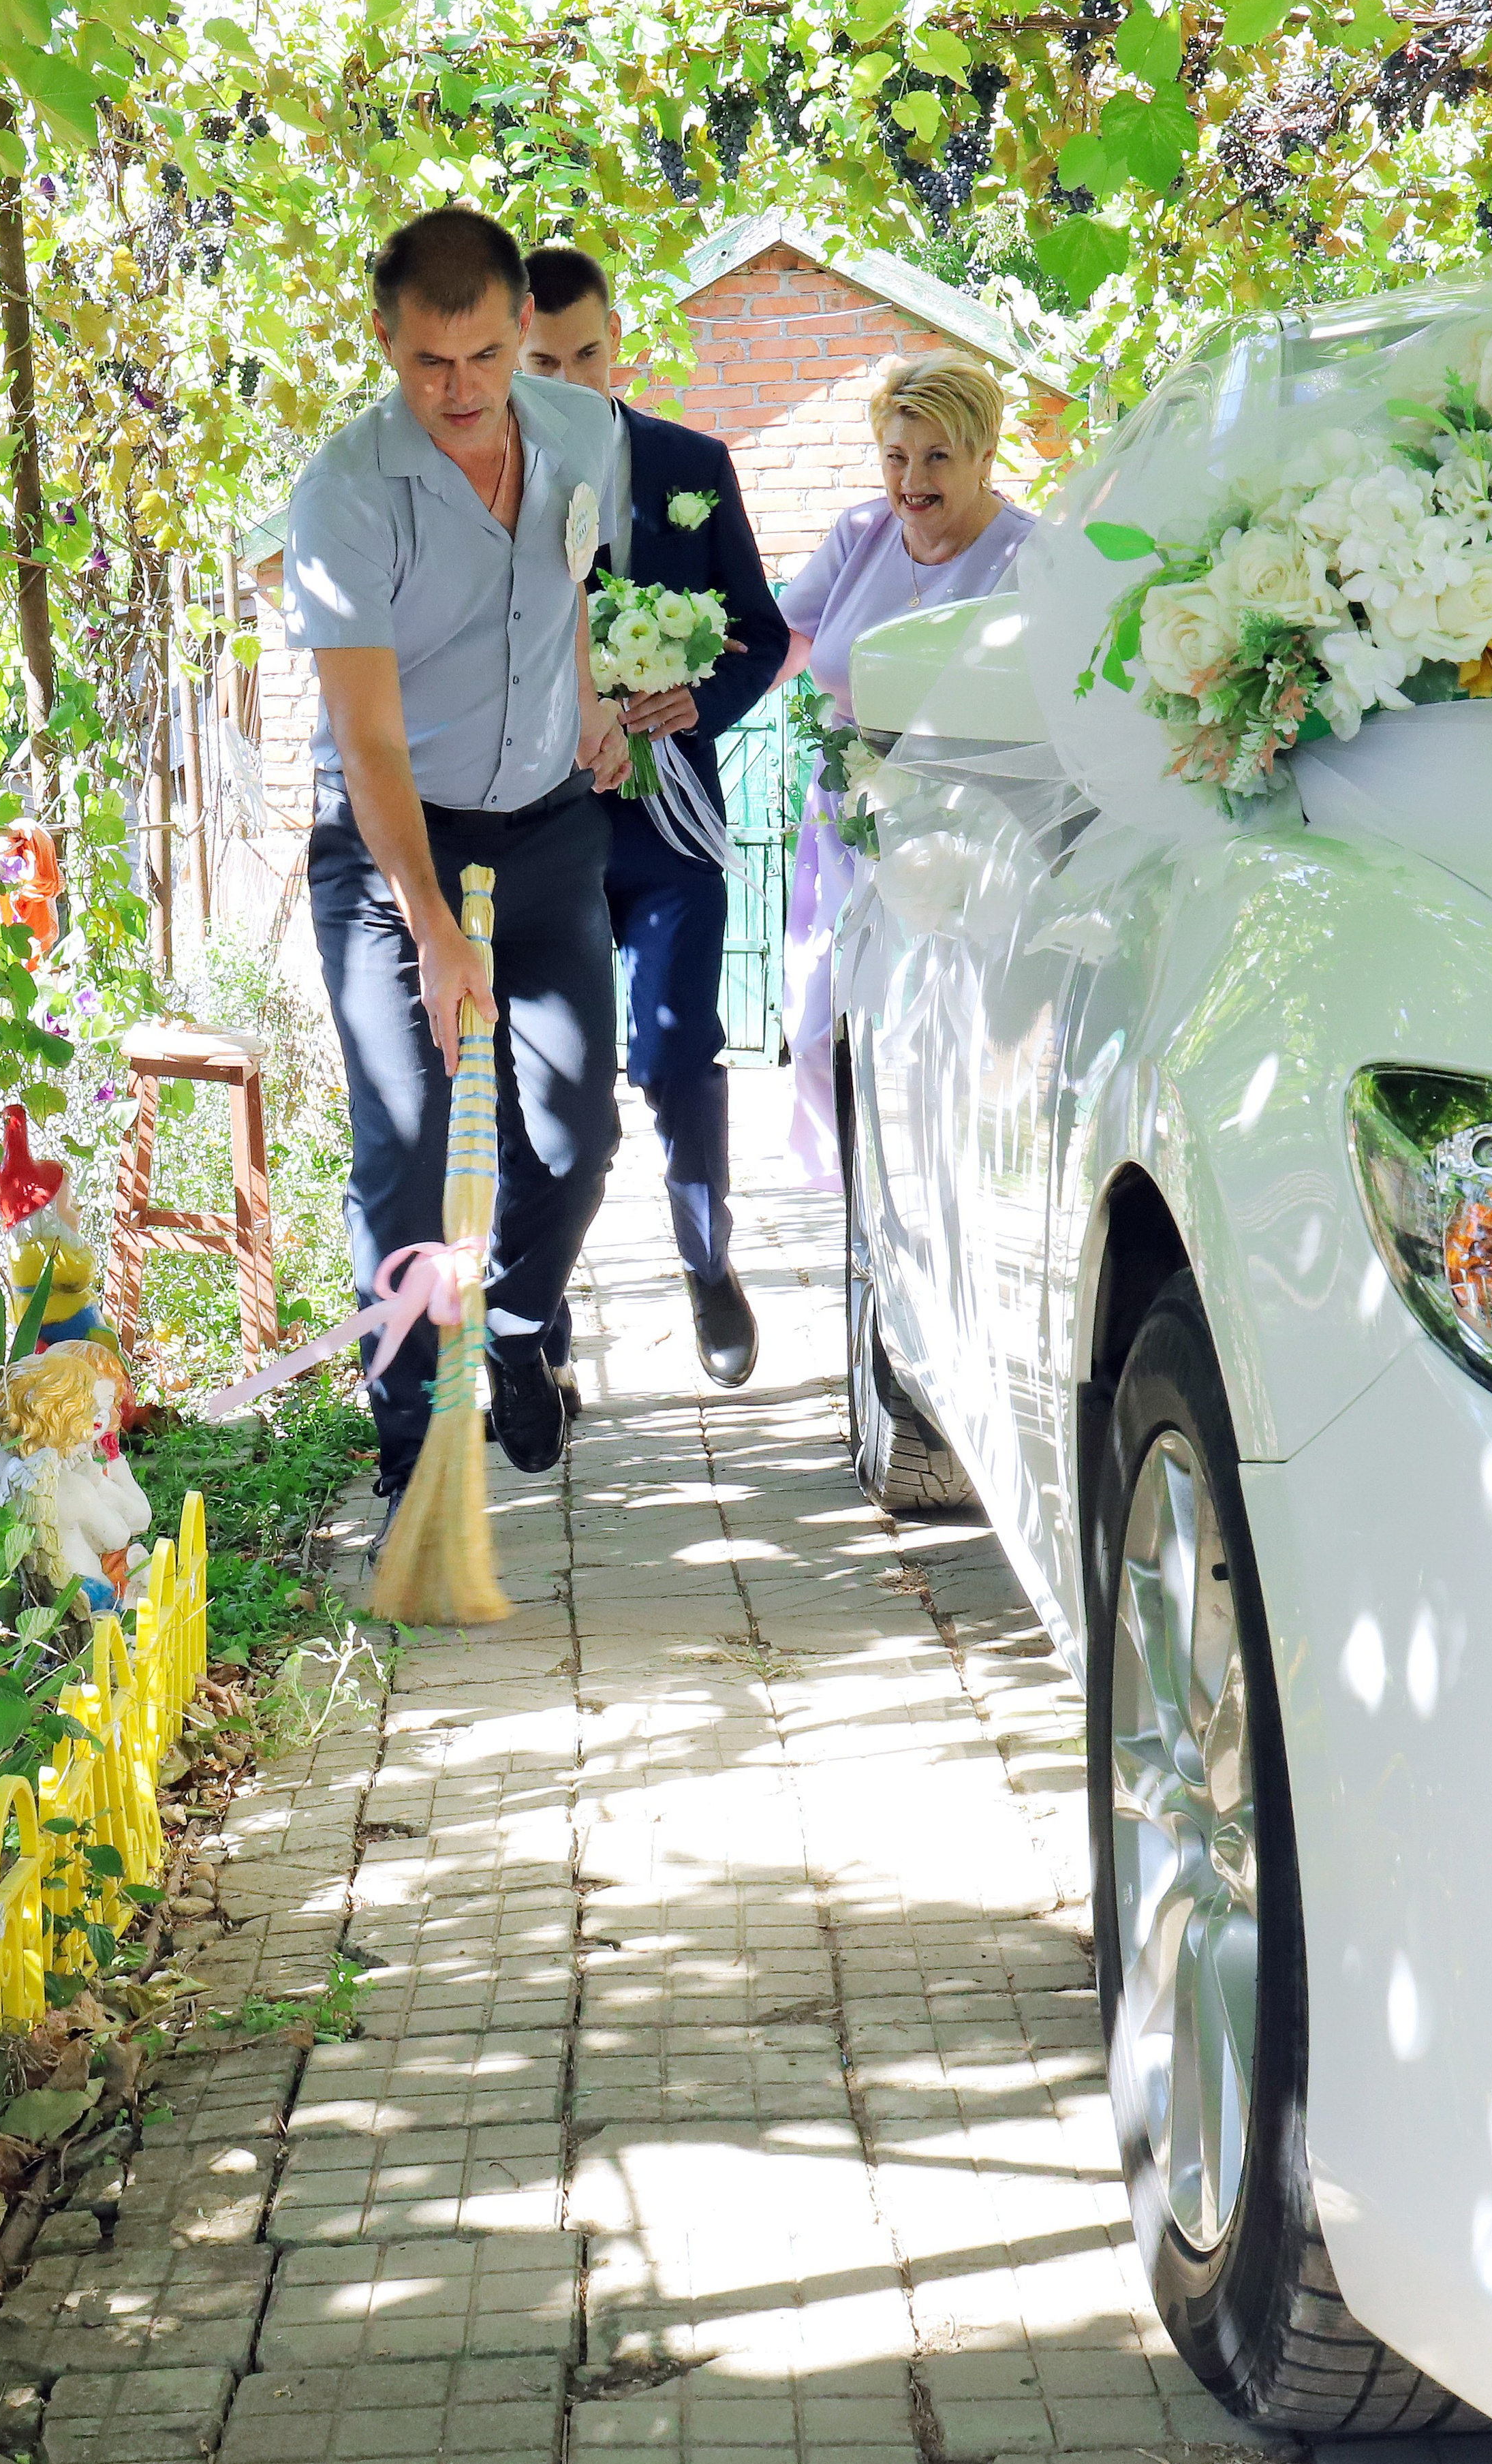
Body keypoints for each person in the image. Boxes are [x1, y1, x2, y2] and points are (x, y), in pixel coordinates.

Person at [283, 207, 630, 1544]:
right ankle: (408, 1447)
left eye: (486, 355)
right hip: (387, 840)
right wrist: (428, 922)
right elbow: (366, 739)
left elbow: (580, 592)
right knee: (407, 1134)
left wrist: (594, 693)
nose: (461, 390)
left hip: (543, 822)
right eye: (430, 363)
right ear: (386, 342)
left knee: (575, 1125)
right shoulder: (344, 497)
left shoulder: (584, 436)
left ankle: (523, 1323)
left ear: (518, 335)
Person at [520, 245, 791, 1386]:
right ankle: (538, 1322)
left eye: (589, 352)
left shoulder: (693, 464)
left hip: (673, 823)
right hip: (548, 825)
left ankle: (706, 1256)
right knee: (548, 1084)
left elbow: (763, 635)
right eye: (546, 362)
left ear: (617, 338)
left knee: (678, 1045)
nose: (573, 380)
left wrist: (701, 694)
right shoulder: (489, 481)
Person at [775, 353, 1034, 1187]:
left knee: (936, 1040)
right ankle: (862, 1215)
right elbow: (779, 644)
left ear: (984, 455)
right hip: (851, 823)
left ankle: (940, 1211)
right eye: (896, 456)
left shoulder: (1034, 558)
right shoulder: (859, 536)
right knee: (820, 1033)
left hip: (975, 832)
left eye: (936, 458)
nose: (910, 479)